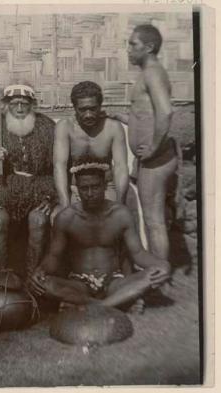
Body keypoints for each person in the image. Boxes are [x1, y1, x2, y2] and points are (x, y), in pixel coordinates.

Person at [28, 159, 171, 309]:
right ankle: (114, 303)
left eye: (95, 187)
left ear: (104, 186)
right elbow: (54, 257)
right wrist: (40, 271)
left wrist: (161, 264)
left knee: (154, 273)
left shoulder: (120, 214)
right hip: (79, 284)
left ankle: (90, 306)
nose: (90, 193)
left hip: (114, 282)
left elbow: (139, 253)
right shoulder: (66, 218)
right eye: (84, 188)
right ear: (77, 189)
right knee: (44, 284)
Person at [108, 24, 178, 261]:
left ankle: (158, 279)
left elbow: (166, 113)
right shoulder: (148, 74)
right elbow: (145, 117)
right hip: (150, 159)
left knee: (153, 221)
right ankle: (157, 273)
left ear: (149, 47)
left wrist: (153, 148)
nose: (128, 49)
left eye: (133, 44)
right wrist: (120, 117)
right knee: (152, 219)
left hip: (155, 160)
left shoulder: (153, 73)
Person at [0, 84, 56, 274]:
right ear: (7, 105)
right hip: (3, 189)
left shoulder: (47, 127)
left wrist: (50, 196)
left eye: (24, 104)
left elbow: (56, 168)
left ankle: (32, 278)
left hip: (38, 189)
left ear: (32, 105)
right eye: (15, 103)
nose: (19, 109)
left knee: (39, 220)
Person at [54, 81, 129, 211]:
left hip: (106, 188)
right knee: (66, 222)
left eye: (93, 109)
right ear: (74, 107)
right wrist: (65, 203)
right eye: (82, 110)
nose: (88, 114)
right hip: (76, 189)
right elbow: (59, 166)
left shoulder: (112, 127)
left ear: (100, 106)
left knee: (113, 223)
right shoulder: (65, 127)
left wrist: (120, 203)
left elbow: (121, 167)